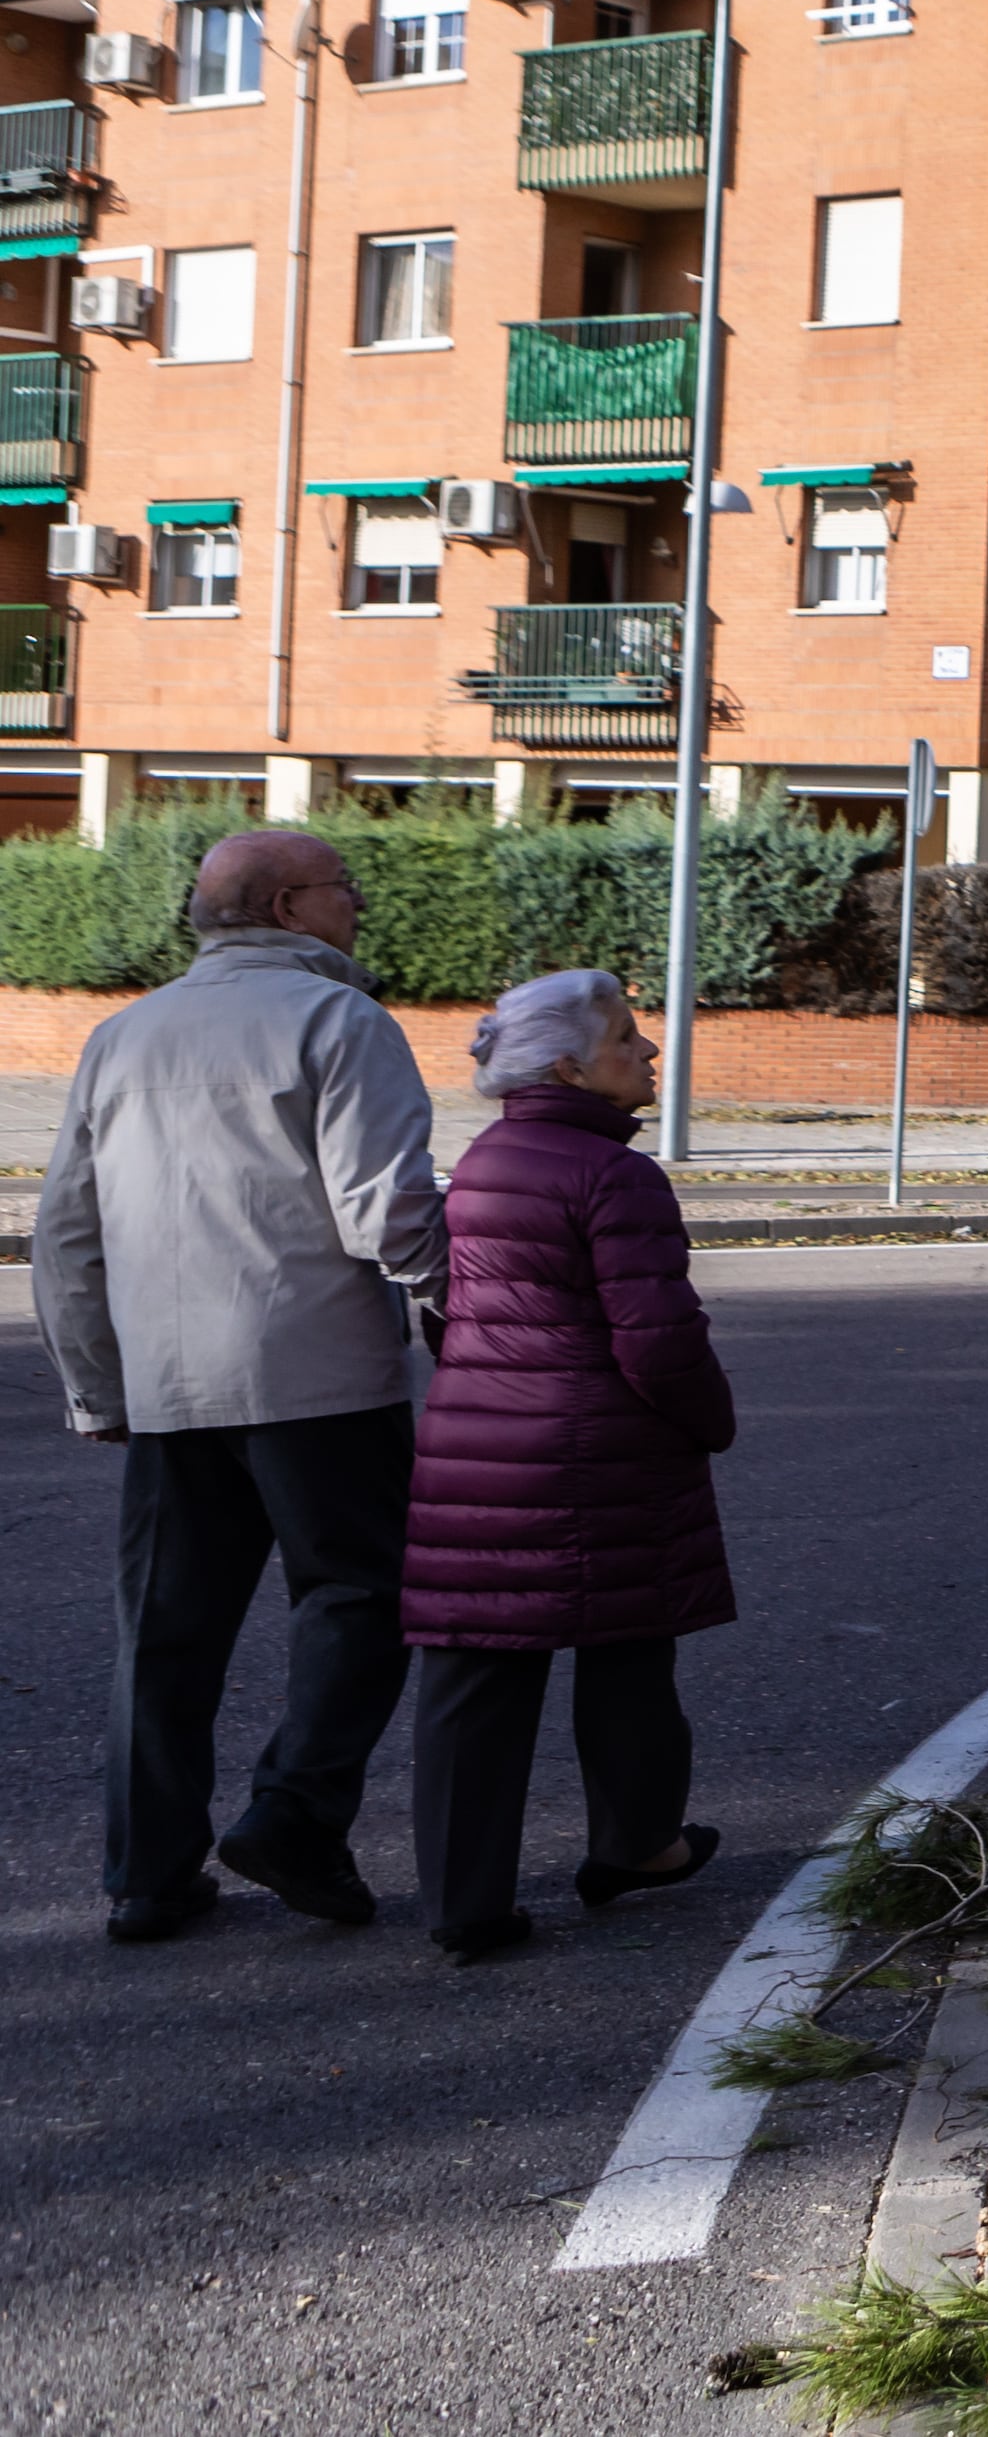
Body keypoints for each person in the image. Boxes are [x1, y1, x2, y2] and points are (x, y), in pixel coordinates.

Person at [36, 827, 450, 1942]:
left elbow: (66, 1232)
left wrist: (97, 1388)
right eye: (342, 888)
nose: (358, 904)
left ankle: (146, 1876)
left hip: (171, 1388)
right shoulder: (340, 1020)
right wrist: (451, 1303)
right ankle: (295, 1812)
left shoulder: (122, 1036)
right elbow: (384, 1207)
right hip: (320, 1377)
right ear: (283, 907)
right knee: (361, 1599)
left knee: (164, 1636)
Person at [400, 970, 735, 1961]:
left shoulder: (486, 1159)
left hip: (474, 1446)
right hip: (598, 1452)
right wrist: (710, 1420)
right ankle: (636, 1843)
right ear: (570, 1067)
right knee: (628, 1651)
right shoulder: (617, 1177)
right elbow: (657, 1342)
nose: (649, 1053)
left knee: (473, 1671)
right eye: (628, 1039)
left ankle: (464, 1901)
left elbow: (448, 1308)